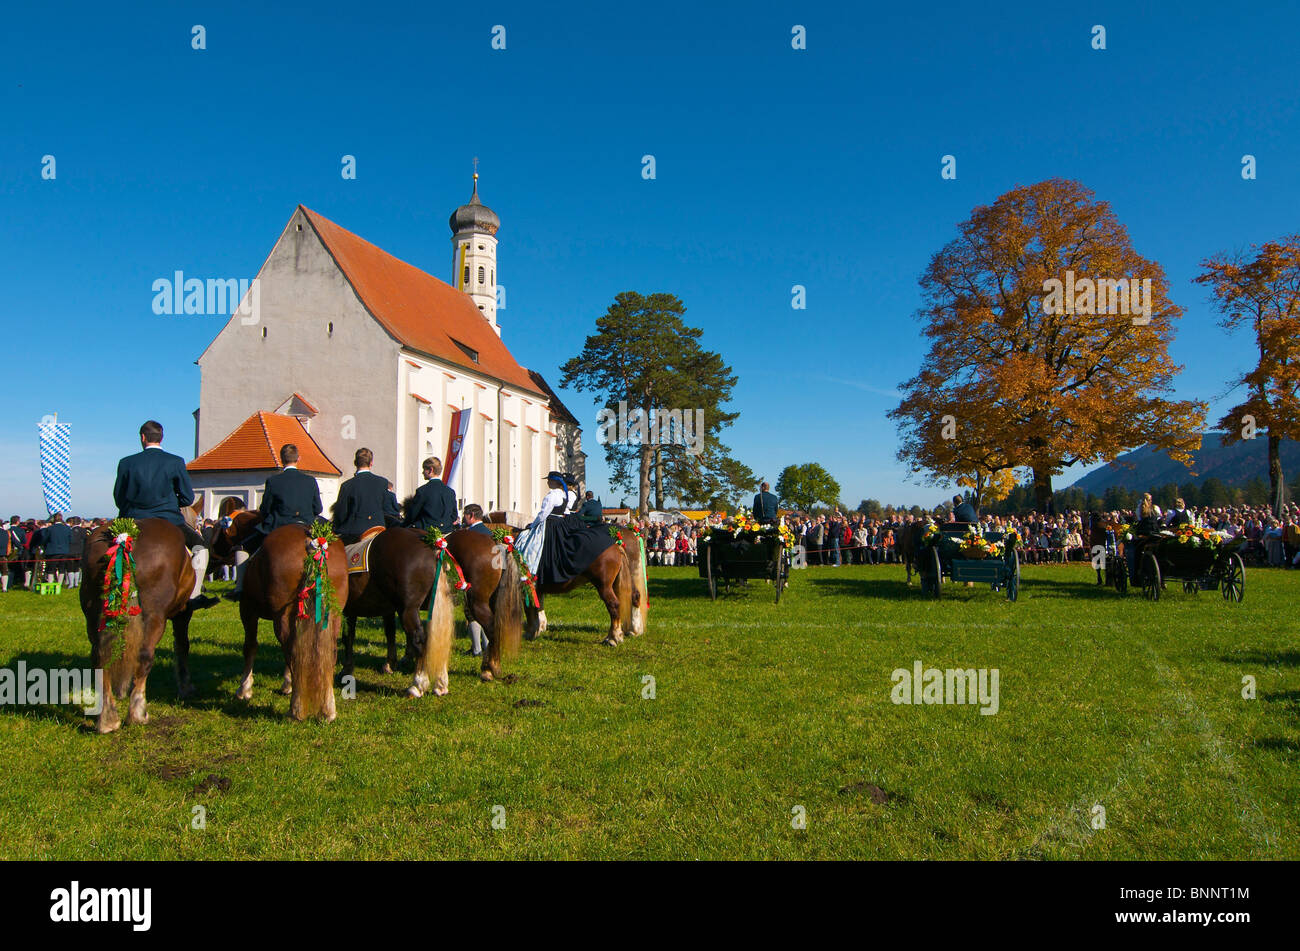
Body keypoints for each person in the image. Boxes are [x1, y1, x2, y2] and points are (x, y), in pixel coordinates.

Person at [113, 420, 218, 610]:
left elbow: (119, 498)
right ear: (161, 438)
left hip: (133, 519)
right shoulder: (175, 461)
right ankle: (195, 594)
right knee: (200, 548)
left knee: (109, 551)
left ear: (143, 438)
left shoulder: (126, 463)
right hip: (168, 519)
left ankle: (113, 589)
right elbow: (187, 497)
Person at [515, 471, 615, 586]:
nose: (547, 482)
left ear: (554, 482)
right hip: (559, 523)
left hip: (550, 523)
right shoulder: (564, 494)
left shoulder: (552, 495)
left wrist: (532, 525)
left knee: (531, 543)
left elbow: (543, 514)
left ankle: (531, 570)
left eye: (549, 480)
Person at [332, 448, 401, 545]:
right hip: (378, 529)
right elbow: (387, 509)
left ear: (355, 463)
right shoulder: (382, 482)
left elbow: (341, 513)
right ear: (371, 463)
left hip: (355, 532)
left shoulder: (347, 485)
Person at [460, 503, 493, 656]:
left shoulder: (468, 536)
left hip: (472, 578)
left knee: (471, 611)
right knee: (487, 609)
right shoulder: (491, 533)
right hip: (491, 579)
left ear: (471, 516)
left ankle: (476, 648)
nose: (463, 518)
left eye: (465, 515)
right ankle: (487, 645)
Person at [403, 456, 458, 534]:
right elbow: (454, 515)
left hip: (426, 531)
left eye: (424, 469)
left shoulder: (422, 491)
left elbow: (412, 515)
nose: (422, 472)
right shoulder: (450, 492)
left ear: (430, 470)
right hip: (447, 531)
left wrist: (403, 525)